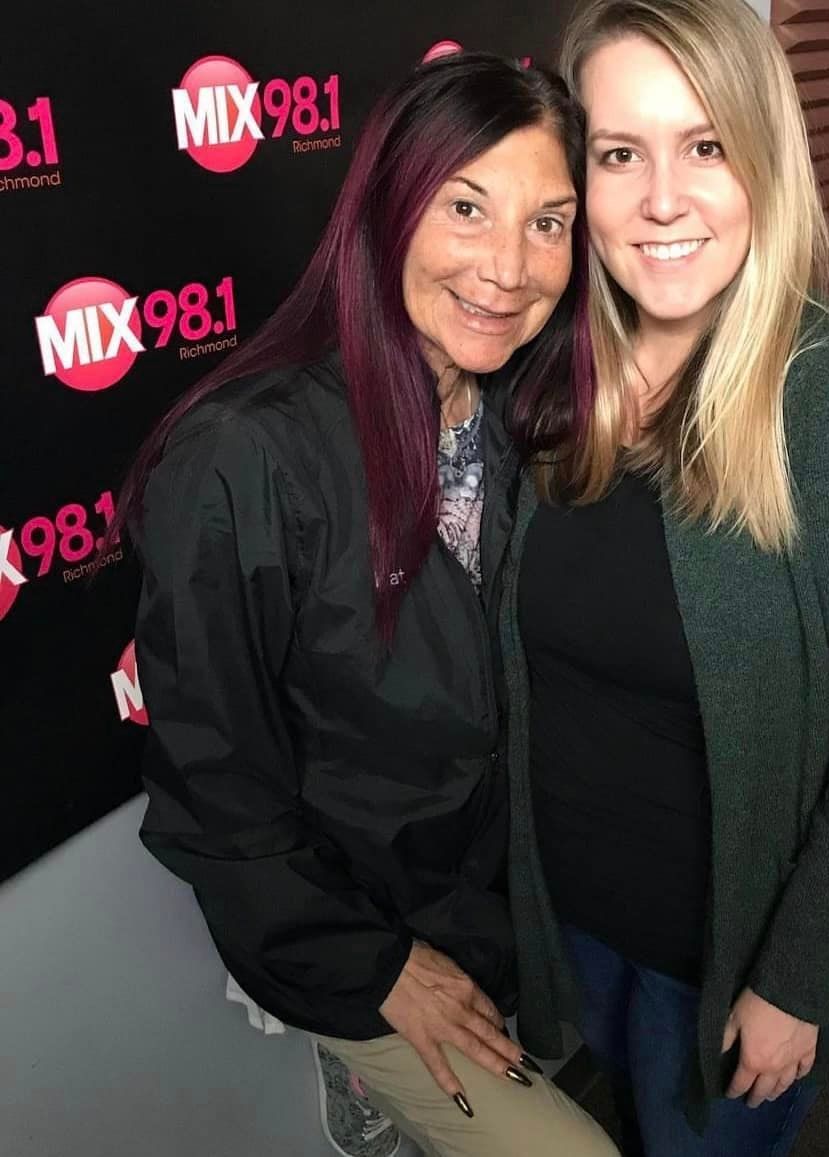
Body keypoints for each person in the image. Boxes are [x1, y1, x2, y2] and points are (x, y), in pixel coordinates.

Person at [115, 53, 618, 1157]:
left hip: (498, 901)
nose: (509, 266)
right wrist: (378, 970)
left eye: (550, 222)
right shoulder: (246, 458)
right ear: (387, 211)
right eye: (467, 208)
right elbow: (216, 800)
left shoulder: (516, 413)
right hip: (352, 931)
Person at [499, 2, 829, 1155]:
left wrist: (797, 981)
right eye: (621, 153)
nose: (663, 198)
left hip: (730, 961)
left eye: (705, 145)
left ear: (765, 156)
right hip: (580, 919)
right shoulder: (555, 371)